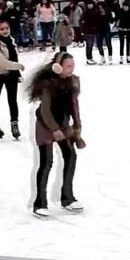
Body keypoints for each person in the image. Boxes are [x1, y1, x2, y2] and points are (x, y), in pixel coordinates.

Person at [28, 52, 85, 217]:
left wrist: (77, 127)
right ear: (57, 66)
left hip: (63, 124)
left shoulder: (73, 81)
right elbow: (45, 110)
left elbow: (74, 106)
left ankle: (67, 197)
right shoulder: (48, 84)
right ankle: (39, 203)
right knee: (46, 163)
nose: (71, 69)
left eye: (72, 66)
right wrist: (54, 129)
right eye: (68, 66)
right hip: (45, 125)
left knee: (70, 156)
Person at [0, 20, 26, 140]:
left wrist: (15, 70)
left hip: (11, 75)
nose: (5, 31)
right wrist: (18, 66)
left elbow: (13, 55)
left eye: (7, 28)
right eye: (2, 29)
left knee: (12, 100)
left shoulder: (11, 40)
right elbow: (1, 62)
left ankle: (14, 123)